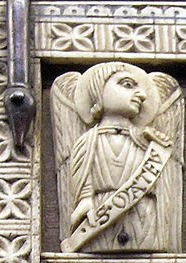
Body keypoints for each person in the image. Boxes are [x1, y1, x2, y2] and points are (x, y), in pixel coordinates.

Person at [63, 62, 175, 253]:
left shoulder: (147, 141)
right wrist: (85, 200)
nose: (142, 95)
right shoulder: (89, 140)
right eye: (127, 85)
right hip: (100, 219)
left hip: (143, 219)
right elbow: (82, 175)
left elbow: (163, 185)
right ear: (99, 91)